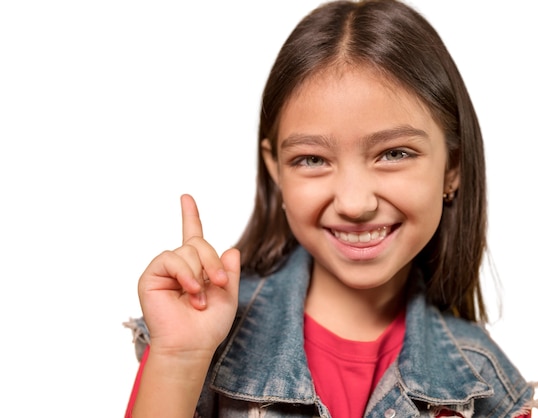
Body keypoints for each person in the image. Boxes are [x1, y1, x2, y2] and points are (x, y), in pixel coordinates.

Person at [124, 0, 536, 416]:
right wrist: (178, 361)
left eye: (394, 153)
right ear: (276, 170)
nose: (354, 204)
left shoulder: (488, 392)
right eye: (312, 160)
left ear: (453, 169)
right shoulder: (196, 338)